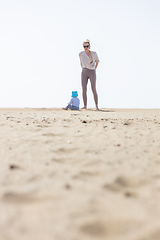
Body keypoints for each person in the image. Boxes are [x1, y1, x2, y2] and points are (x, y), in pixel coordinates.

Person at [79, 39, 100, 110]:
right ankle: (85, 106)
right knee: (84, 88)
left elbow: (97, 61)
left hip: (92, 71)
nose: (86, 47)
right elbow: (81, 63)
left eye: (87, 46)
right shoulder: (81, 54)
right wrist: (83, 68)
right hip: (84, 71)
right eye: (84, 46)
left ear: (89, 46)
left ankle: (96, 105)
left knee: (93, 88)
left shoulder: (94, 53)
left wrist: (94, 68)